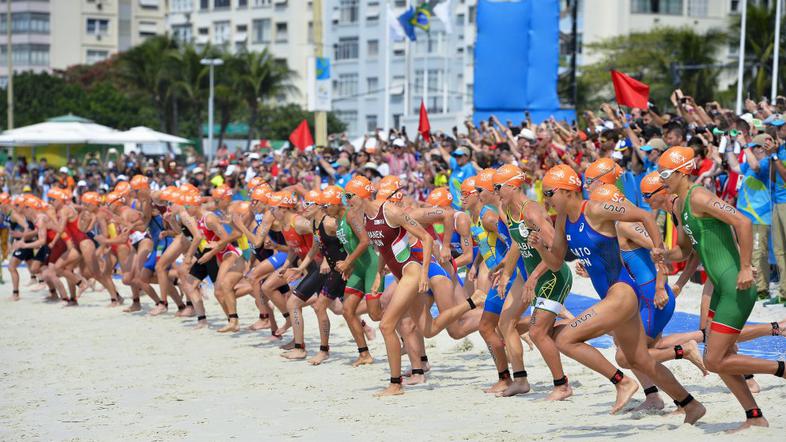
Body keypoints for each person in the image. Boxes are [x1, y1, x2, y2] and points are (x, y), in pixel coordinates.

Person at [536, 164, 705, 423]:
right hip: (613, 297)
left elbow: (645, 216)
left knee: (566, 338)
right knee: (640, 360)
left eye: (548, 193)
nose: (545, 199)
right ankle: (690, 404)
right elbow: (556, 262)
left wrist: (659, 255)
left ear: (567, 191)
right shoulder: (562, 223)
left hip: (623, 292)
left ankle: (622, 382)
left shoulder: (594, 209)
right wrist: (539, 248)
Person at [658, 146, 785, 431]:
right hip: (721, 289)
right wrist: (664, 254)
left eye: (665, 173)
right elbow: (685, 251)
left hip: (735, 285)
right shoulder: (680, 205)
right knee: (720, 357)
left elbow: (743, 221)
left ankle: (782, 370)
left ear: (682, 172)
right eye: (659, 173)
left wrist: (743, 267)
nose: (661, 178)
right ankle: (754, 417)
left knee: (715, 359)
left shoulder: (700, 195)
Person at [494, 164, 574, 401]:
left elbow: (557, 251)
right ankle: (520, 380)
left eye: (498, 187)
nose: (495, 191)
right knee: (506, 322)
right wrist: (507, 273)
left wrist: (533, 277)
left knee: (537, 332)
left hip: (553, 276)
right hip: (533, 277)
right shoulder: (507, 209)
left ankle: (562, 385)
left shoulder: (532, 212)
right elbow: (518, 243)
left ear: (513, 185)